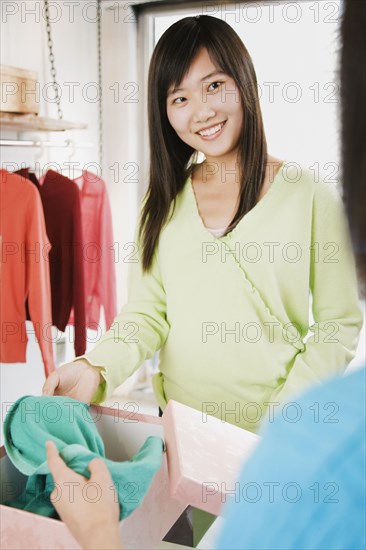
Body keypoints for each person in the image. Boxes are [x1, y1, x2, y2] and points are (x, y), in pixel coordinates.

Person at [45, 7, 365, 549]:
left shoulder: (310, 195)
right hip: (186, 445)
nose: (201, 111)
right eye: (179, 97)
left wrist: (279, 425)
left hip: (274, 444)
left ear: (244, 81)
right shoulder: (161, 203)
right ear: (164, 112)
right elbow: (146, 316)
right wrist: (92, 368)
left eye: (214, 85)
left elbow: (337, 325)